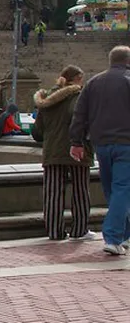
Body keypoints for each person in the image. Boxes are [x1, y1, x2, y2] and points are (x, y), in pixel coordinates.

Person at [69, 46, 130, 256]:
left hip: (101, 144)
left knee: (112, 189)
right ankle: (114, 238)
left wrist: (76, 141)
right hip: (126, 143)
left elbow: (79, 113)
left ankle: (125, 234)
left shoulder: (94, 82)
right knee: (122, 188)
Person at [35, 65, 93, 241]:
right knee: (80, 190)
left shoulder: (46, 100)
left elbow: (37, 132)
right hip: (77, 150)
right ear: (76, 79)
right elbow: (80, 119)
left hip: (52, 151)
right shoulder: (78, 97)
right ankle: (79, 230)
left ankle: (54, 231)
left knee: (52, 192)